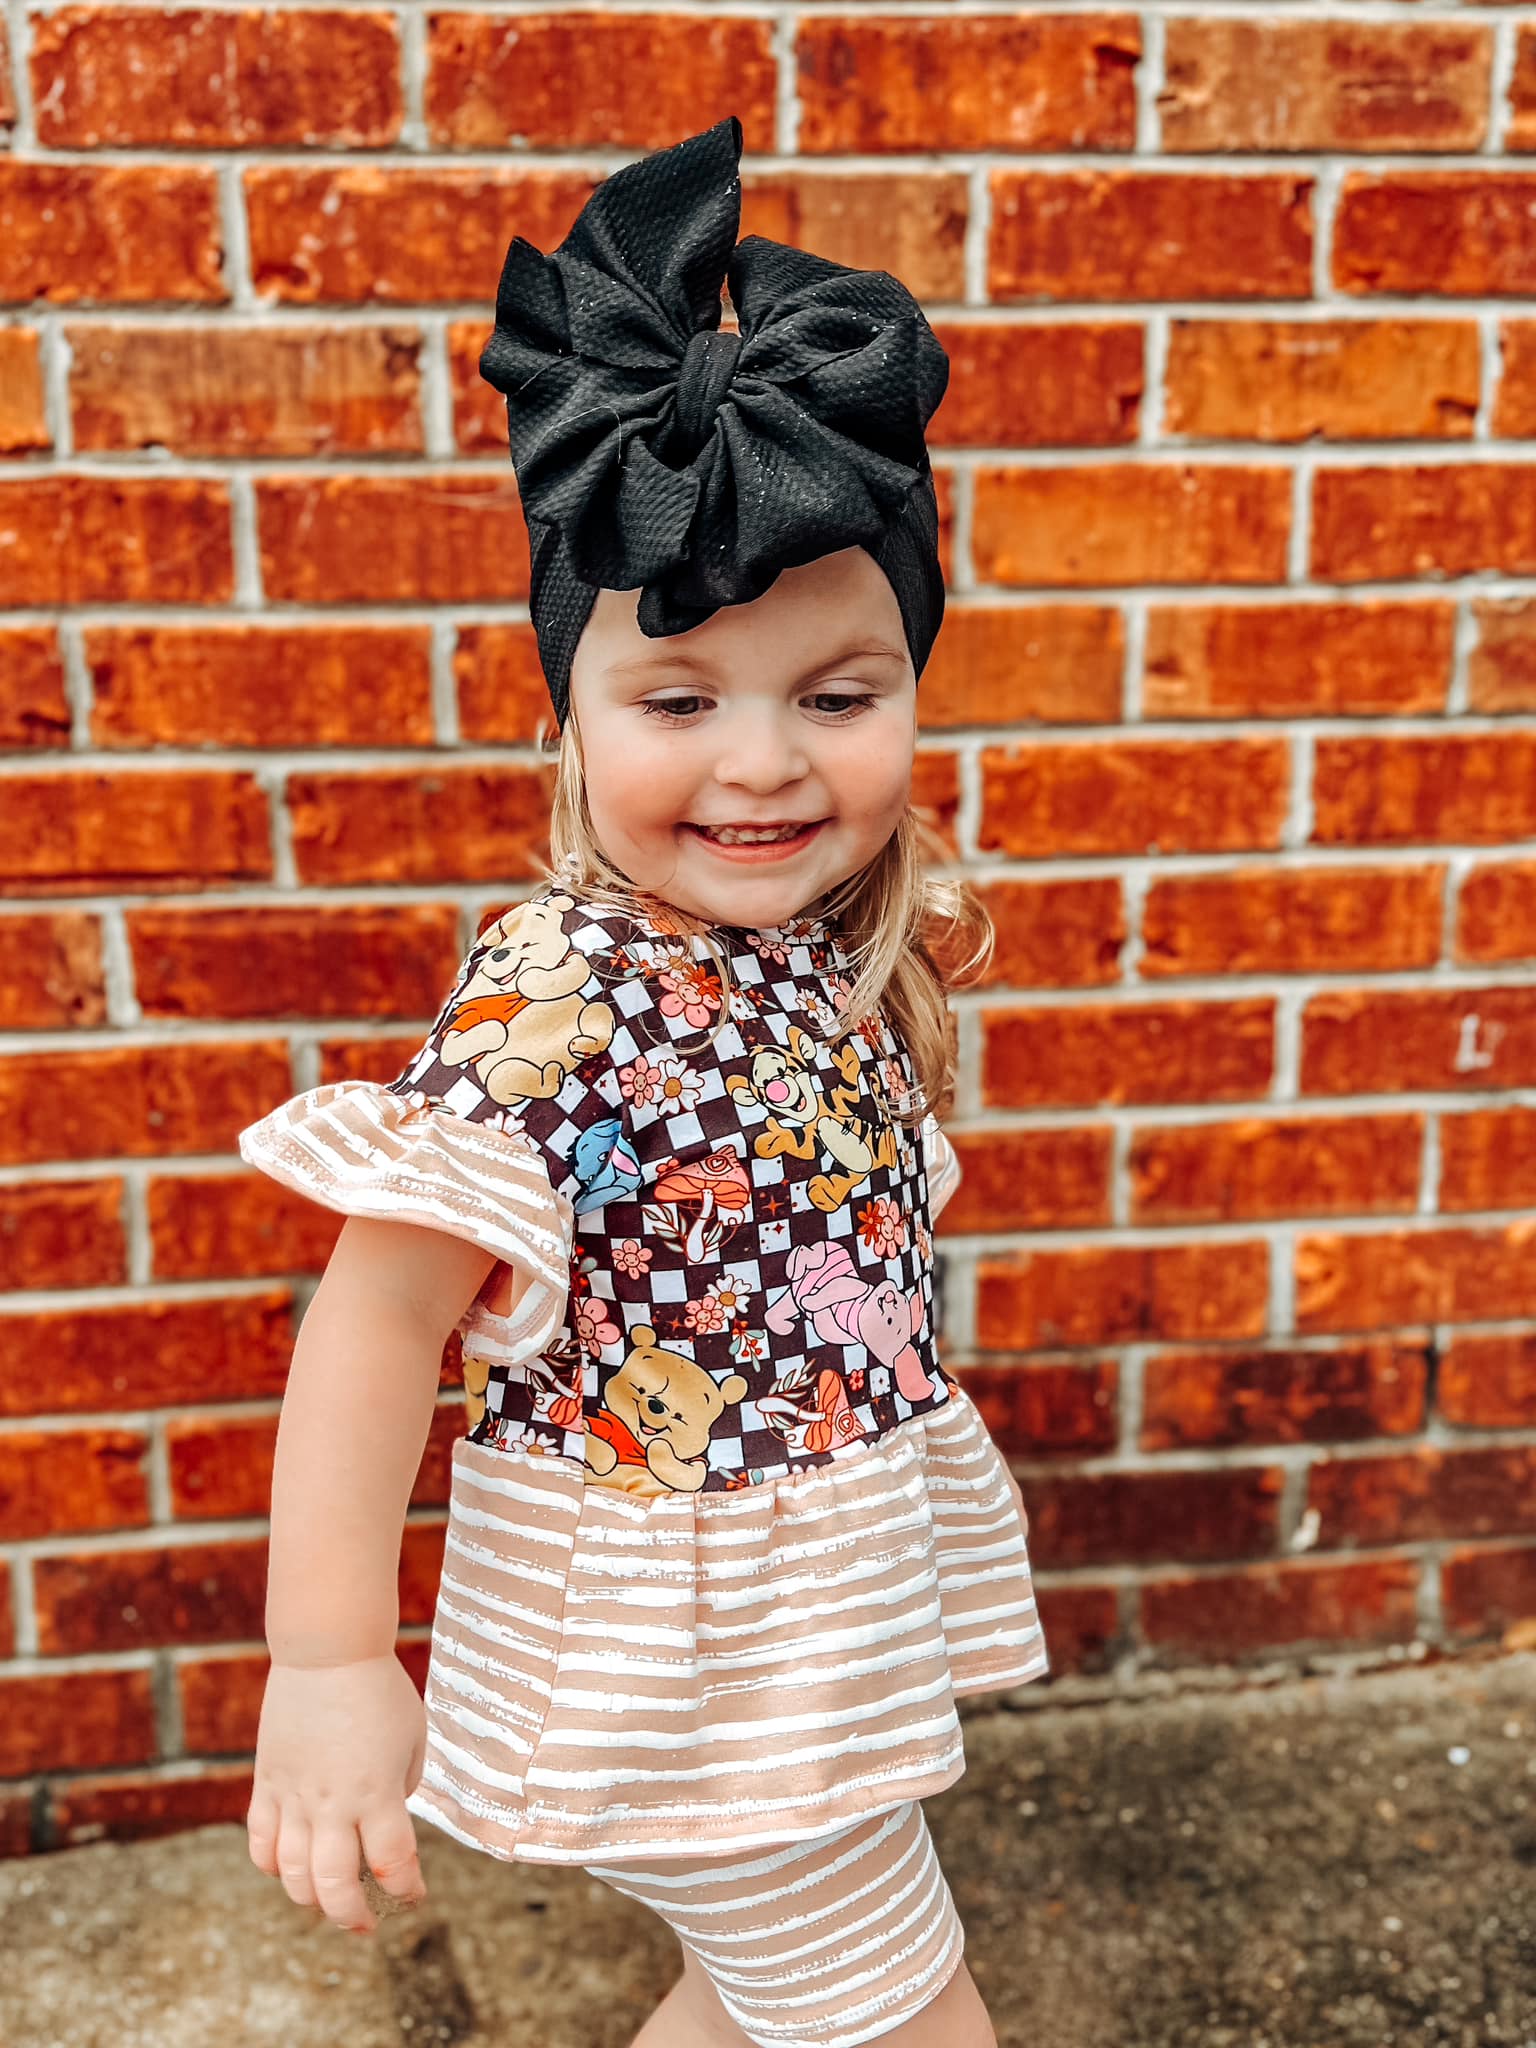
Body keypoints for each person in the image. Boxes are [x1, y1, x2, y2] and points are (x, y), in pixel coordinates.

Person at [238, 115, 1049, 2048]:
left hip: (793, 1640)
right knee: (904, 2020)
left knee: (755, 2003)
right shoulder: (565, 998)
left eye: (837, 695)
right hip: (683, 1664)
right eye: (679, 699)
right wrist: (330, 1660)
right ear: (576, 713)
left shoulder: (803, 954)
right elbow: (377, 1318)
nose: (762, 762)